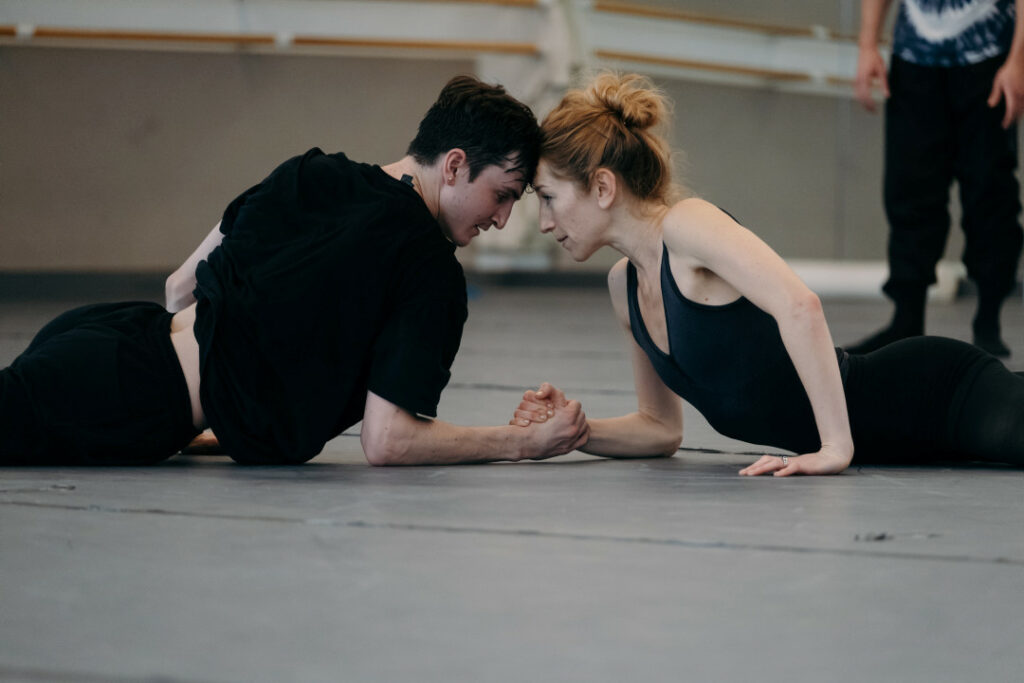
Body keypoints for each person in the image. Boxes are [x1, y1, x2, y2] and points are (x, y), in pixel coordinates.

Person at [1, 75, 588, 466]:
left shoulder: (314, 171)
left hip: (108, 335)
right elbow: (389, 440)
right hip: (136, 393)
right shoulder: (428, 268)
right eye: (504, 194)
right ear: (456, 165)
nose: (505, 219)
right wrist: (521, 443)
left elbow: (180, 287)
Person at [511, 73, 1024, 475]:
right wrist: (577, 431)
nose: (545, 221)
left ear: (602, 187)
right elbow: (659, 429)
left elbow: (800, 304)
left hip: (933, 397)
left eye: (549, 197)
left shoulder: (686, 227)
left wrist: (835, 448)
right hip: (905, 447)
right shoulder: (623, 288)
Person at [847, 0, 1024, 357]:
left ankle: (987, 322)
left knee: (990, 194)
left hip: (989, 60)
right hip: (914, 61)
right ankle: (906, 319)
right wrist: (868, 46)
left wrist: (1018, 62)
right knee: (908, 190)